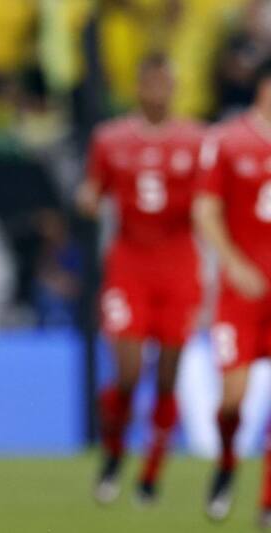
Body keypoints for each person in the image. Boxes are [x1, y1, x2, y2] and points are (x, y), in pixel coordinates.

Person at [77, 53, 203, 505]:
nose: (158, 93)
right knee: (128, 373)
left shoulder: (197, 141)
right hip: (129, 266)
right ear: (138, 87)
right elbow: (93, 190)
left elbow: (211, 201)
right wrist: (88, 199)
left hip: (179, 267)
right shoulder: (110, 139)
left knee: (167, 377)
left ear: (174, 87)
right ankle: (113, 456)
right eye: (151, 84)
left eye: (165, 84)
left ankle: (152, 472)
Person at [194, 57, 271, 526]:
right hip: (241, 293)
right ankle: (226, 465)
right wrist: (234, 264)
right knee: (232, 400)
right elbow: (205, 211)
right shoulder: (227, 140)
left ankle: (267, 501)